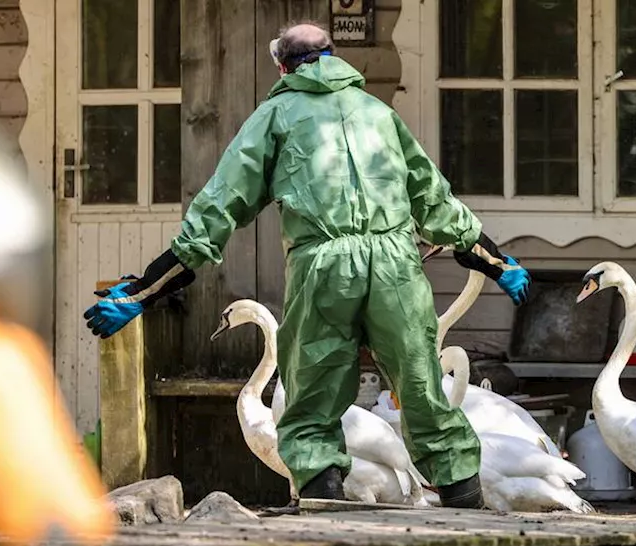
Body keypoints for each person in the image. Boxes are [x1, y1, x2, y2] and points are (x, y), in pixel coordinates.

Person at [82, 22, 531, 508]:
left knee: (311, 403)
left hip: (323, 268)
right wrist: (498, 263)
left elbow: (216, 212)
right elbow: (435, 203)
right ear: (333, 56)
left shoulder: (274, 116)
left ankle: (327, 516)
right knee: (423, 390)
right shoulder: (378, 113)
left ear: (281, 65)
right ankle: (469, 512)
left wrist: (144, 291)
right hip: (397, 268)